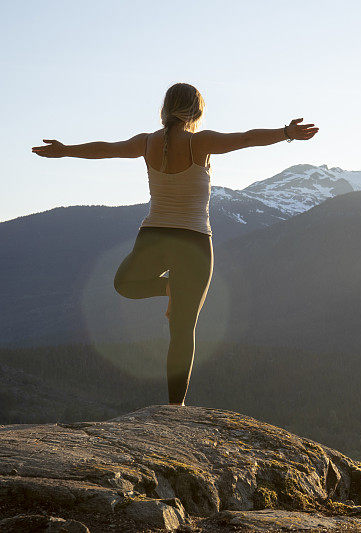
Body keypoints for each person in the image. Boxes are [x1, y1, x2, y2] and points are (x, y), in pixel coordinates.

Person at [31, 82, 319, 406]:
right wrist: (286, 132)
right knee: (183, 332)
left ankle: (169, 288)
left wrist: (64, 149)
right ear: (196, 111)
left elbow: (105, 149)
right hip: (194, 243)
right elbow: (246, 139)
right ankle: (175, 407)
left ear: (165, 109)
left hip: (154, 237)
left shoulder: (147, 143)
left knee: (124, 283)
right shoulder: (200, 143)